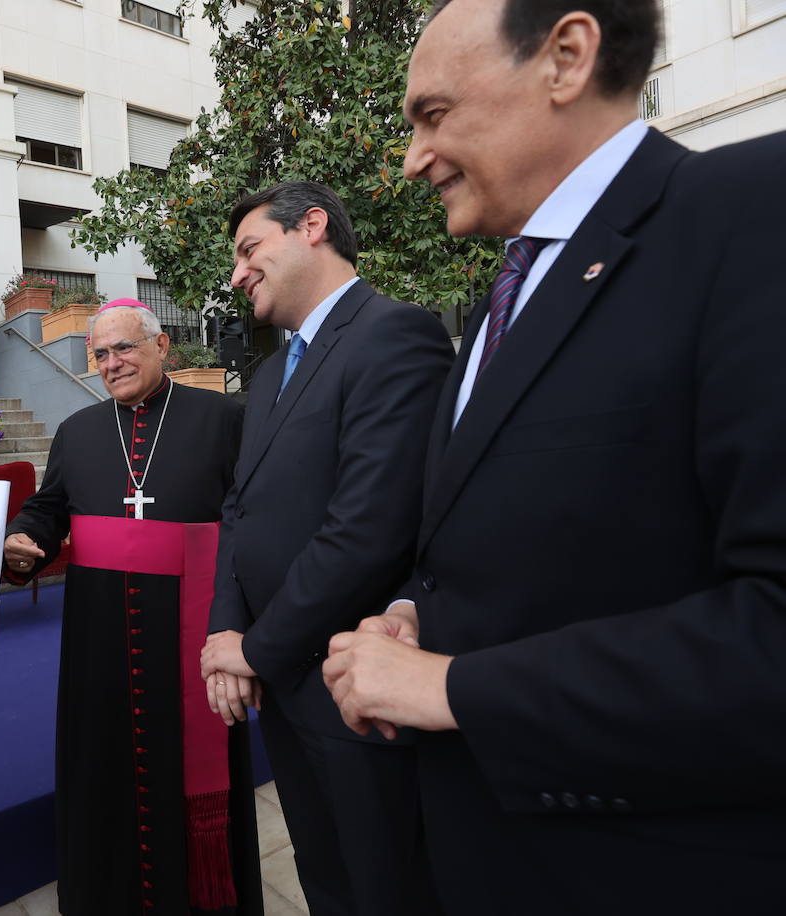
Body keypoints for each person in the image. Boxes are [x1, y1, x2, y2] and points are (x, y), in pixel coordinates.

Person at [321, 1, 786, 913]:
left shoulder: (748, 215)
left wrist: (457, 688)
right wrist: (418, 611)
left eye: (432, 114)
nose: (413, 157)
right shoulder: (505, 295)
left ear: (566, 57)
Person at [202, 181, 453, 916]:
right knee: (325, 880)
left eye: (250, 249)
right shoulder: (272, 371)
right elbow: (238, 509)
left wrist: (255, 650)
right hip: (284, 688)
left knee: (387, 889)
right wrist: (227, 628)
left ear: (311, 226)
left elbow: (369, 529)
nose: (237, 272)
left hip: (357, 692)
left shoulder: (394, 333)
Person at [3, 300, 259, 915]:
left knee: (190, 771)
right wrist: (25, 540)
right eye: (101, 355)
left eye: (124, 348)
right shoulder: (78, 431)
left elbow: (250, 519)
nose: (112, 364)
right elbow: (49, 507)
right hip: (100, 640)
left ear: (162, 346)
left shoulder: (223, 419)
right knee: (104, 768)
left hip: (192, 633)